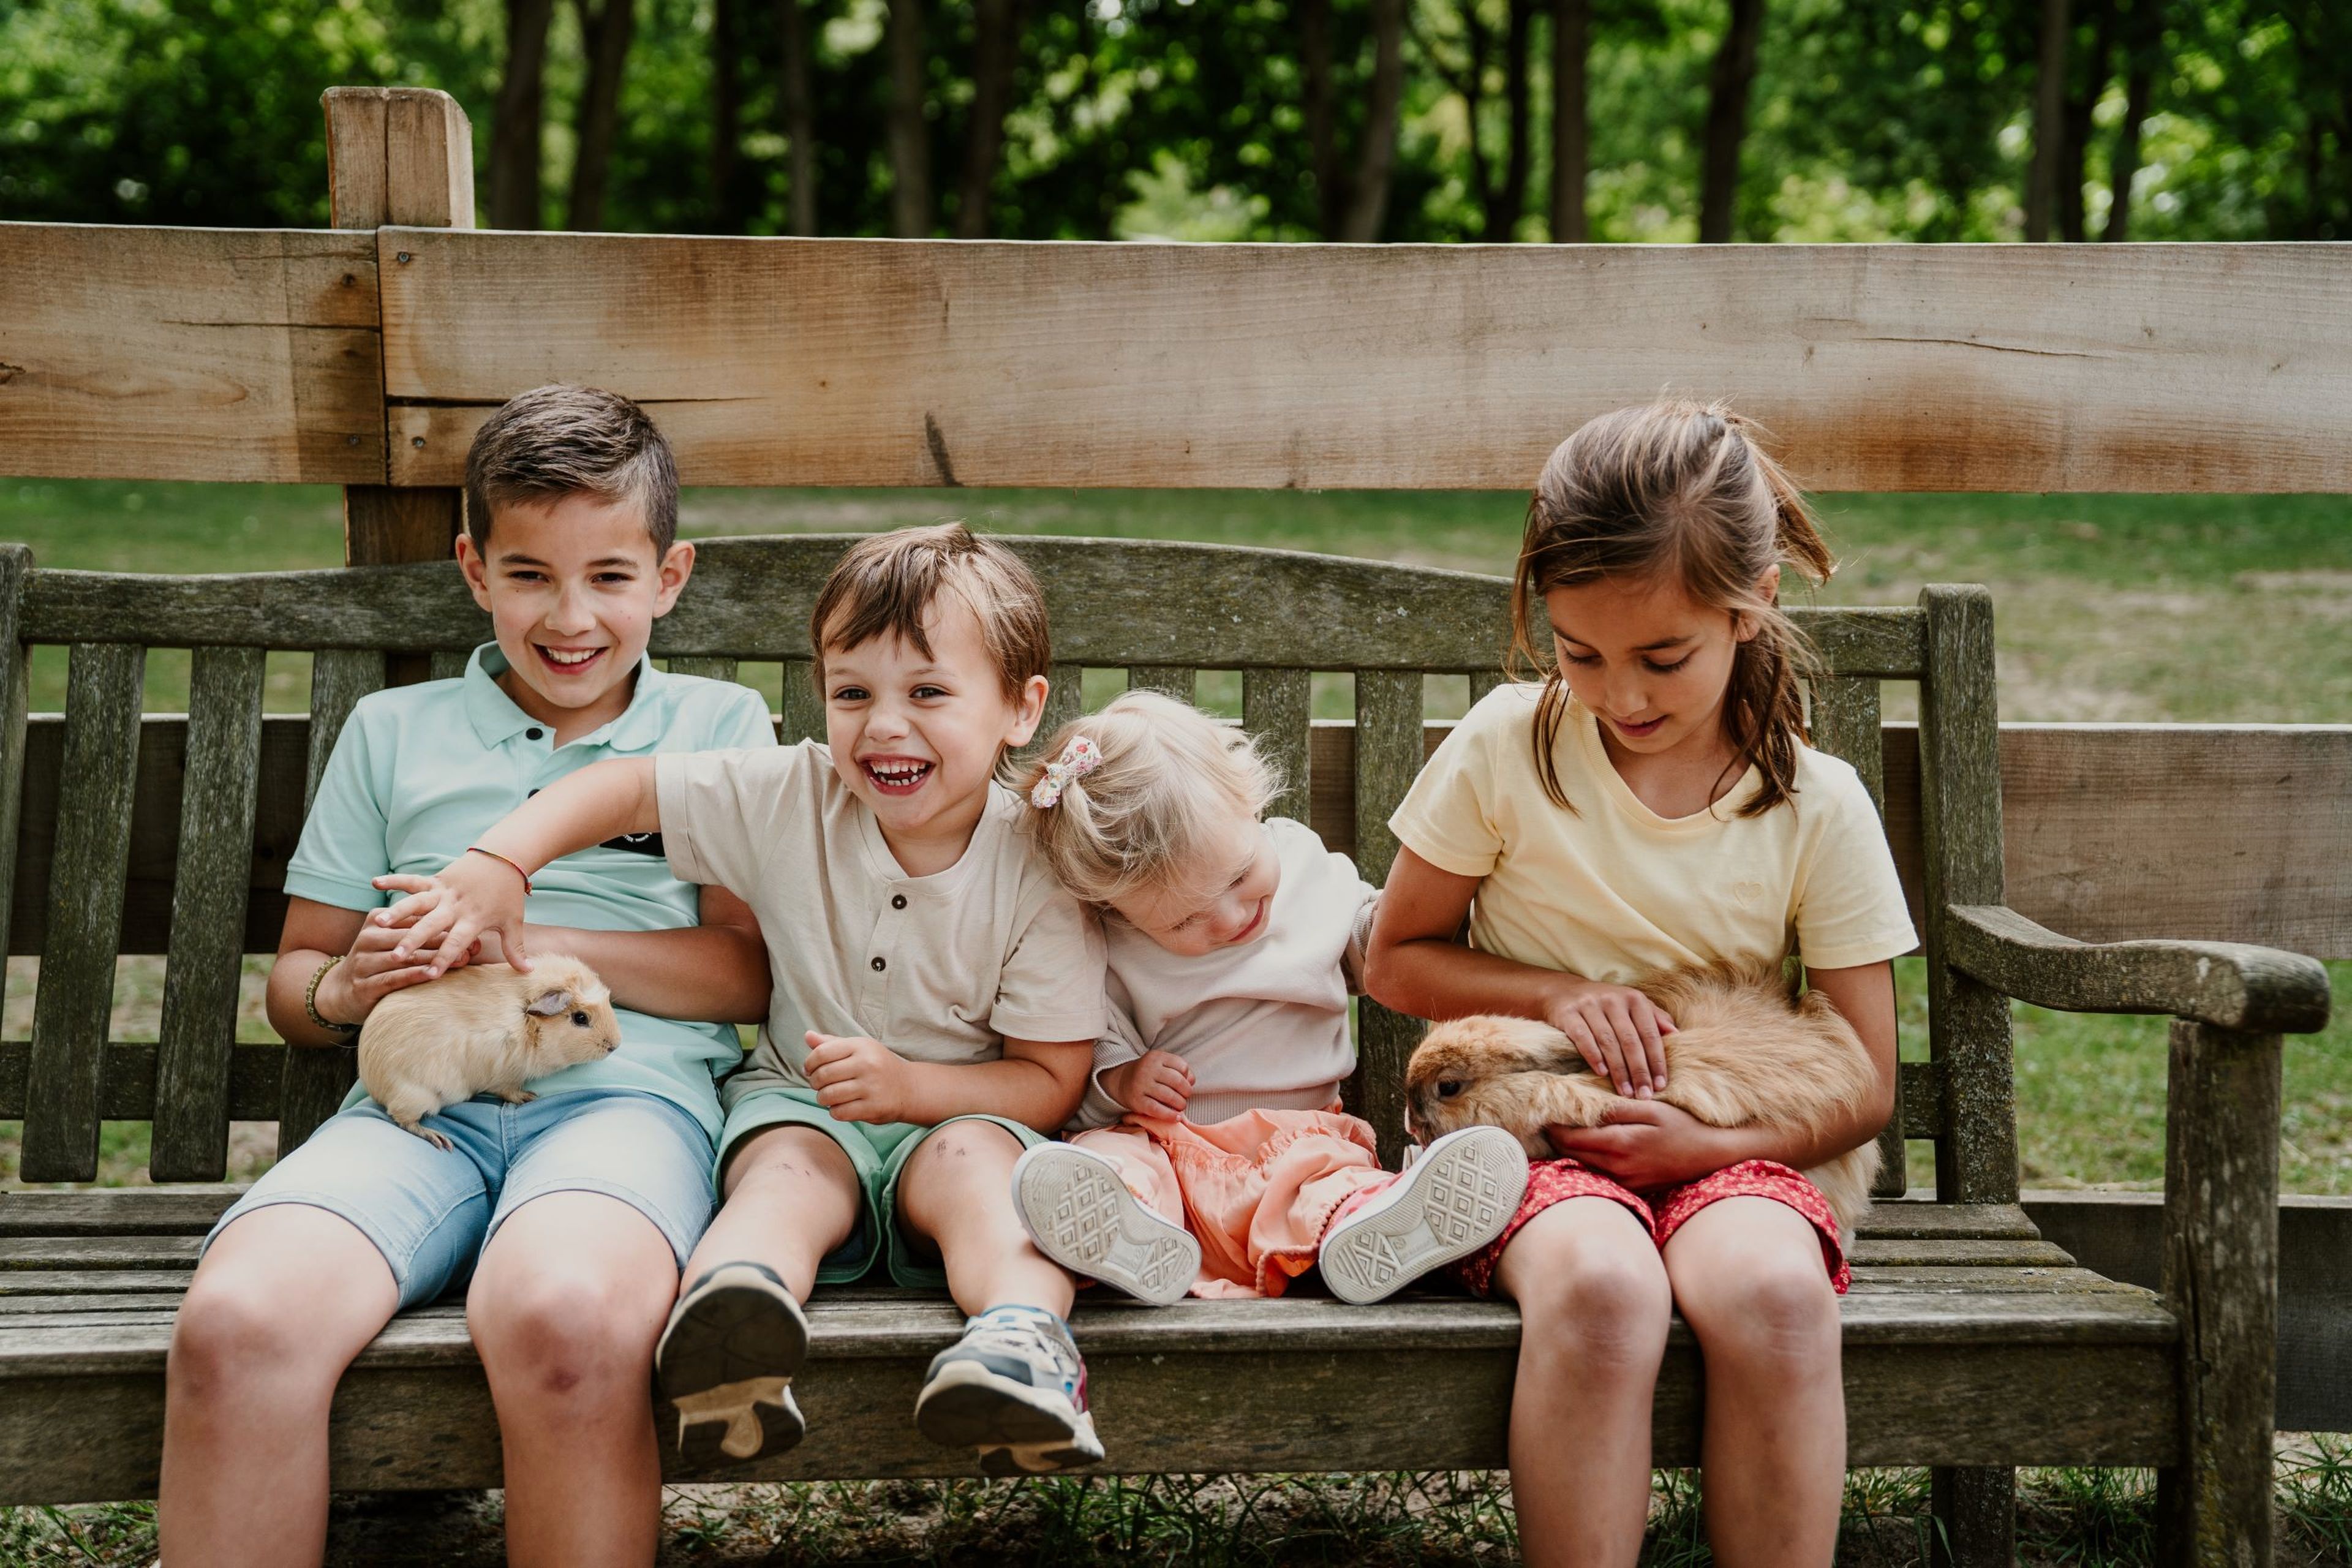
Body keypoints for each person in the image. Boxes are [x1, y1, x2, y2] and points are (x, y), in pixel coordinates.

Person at [160, 385, 777, 1568]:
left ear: (670, 577)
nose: (570, 617)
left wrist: (534, 943)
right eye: (530, 574)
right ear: (474, 569)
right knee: (238, 1326)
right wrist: (348, 991)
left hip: (623, 1106)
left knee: (567, 1320)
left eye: (609, 576)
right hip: (414, 1119)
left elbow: (746, 976)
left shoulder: (719, 727)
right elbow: (297, 984)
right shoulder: (393, 732)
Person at [372, 523, 1114, 1477]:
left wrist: (912, 1089)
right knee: (782, 1175)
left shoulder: (1041, 868)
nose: (884, 727)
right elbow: (621, 788)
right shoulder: (791, 794)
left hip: (962, 1115)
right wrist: (500, 862)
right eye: (852, 694)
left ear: (1021, 708)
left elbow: (1050, 1081)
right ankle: (732, 1328)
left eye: (928, 693)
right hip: (801, 1101)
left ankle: (1020, 1347)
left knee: (982, 1181)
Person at [1363, 399, 1917, 1568]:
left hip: (1730, 1147)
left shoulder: (1816, 805)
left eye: (1664, 658)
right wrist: (1557, 997)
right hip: (1528, 1145)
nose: (1621, 695)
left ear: (1753, 602)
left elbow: (1867, 1086)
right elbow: (1395, 956)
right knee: (1604, 1295)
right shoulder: (1509, 747)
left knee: (1776, 1299)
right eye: (1580, 654)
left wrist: (1707, 1149)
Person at [1005, 690, 1527, 1305]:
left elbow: (1374, 948)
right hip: (1170, 1148)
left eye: (1238, 876)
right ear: (1118, 910)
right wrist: (1121, 1080)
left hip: (1302, 1143)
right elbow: (1092, 1043)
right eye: (1184, 921)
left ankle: (1375, 1226)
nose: (1230, 918)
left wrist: (1406, 916)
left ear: (1249, 800)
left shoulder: (1305, 866)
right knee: (1117, 1161)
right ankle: (1121, 1234)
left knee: (1329, 1186)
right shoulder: (1114, 941)